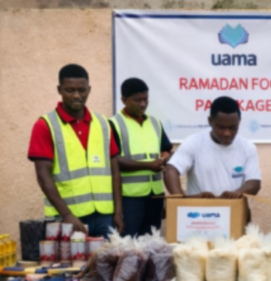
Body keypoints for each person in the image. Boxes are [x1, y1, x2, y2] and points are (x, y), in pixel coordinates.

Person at [29, 63, 123, 238]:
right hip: (68, 218)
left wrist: (118, 212)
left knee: (106, 264)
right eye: (69, 90)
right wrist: (67, 215)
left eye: (82, 90)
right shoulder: (45, 125)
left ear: (89, 89)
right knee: (72, 265)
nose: (76, 95)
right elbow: (43, 177)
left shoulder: (102, 123)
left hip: (105, 217)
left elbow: (115, 171)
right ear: (59, 90)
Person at [163, 95, 262, 201]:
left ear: (239, 122)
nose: (227, 133)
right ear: (210, 121)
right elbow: (170, 170)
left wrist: (237, 193)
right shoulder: (194, 143)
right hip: (198, 214)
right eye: (221, 127)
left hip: (234, 212)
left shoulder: (247, 147)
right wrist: (181, 201)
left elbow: (254, 182)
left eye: (232, 128)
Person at [109, 77, 172, 237]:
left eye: (146, 99)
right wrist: (148, 165)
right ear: (124, 100)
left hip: (155, 194)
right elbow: (114, 160)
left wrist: (165, 157)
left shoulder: (155, 122)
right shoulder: (113, 124)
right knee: (129, 243)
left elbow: (166, 149)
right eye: (137, 100)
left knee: (152, 242)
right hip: (129, 197)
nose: (143, 104)